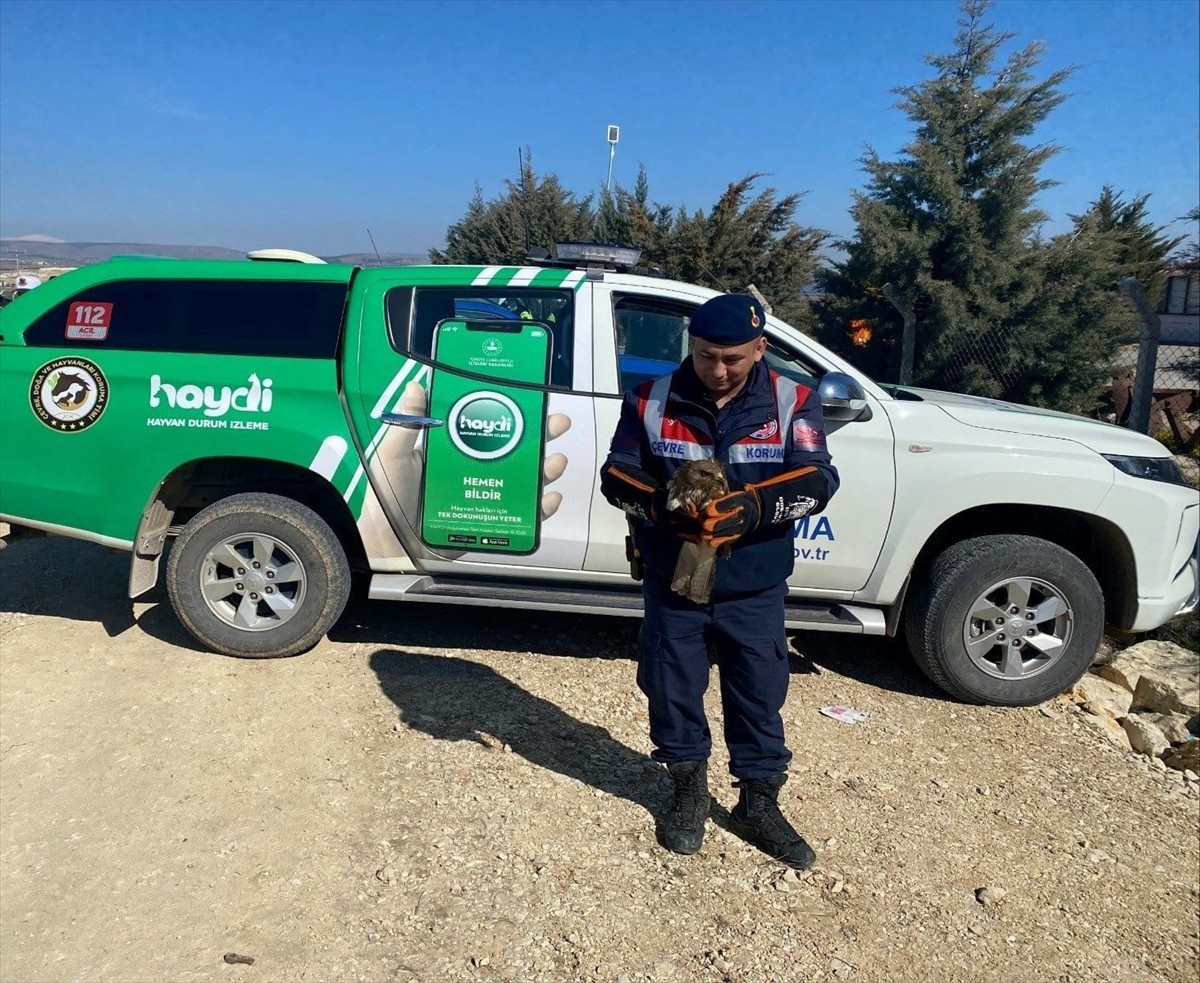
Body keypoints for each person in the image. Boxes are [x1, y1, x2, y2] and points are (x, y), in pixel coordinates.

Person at [600, 293, 839, 869]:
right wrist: (659, 507)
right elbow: (615, 473)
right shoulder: (650, 397)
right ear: (693, 346)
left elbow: (819, 479)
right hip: (676, 575)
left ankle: (759, 802)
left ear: (760, 348)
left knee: (758, 690)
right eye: (708, 356)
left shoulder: (793, 400)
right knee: (671, 684)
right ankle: (687, 789)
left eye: (734, 357)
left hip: (753, 582)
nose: (720, 369)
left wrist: (751, 509)